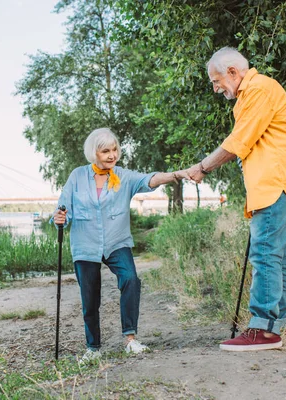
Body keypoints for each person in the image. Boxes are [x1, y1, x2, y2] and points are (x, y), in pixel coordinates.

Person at [185, 47, 286, 351]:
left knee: (265, 253)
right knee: (277, 254)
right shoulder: (254, 93)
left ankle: (264, 328)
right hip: (272, 183)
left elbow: (238, 142)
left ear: (233, 72)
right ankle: (274, 325)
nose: (215, 87)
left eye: (217, 80)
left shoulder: (259, 89)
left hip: (275, 184)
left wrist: (203, 167)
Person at [53, 127, 188, 364]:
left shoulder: (123, 176)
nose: (111, 155)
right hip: (86, 244)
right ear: (94, 153)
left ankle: (130, 339)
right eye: (105, 151)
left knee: (130, 279)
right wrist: (60, 217)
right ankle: (93, 348)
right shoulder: (77, 176)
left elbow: (150, 179)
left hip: (116, 241)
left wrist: (178, 174)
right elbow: (63, 206)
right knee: (90, 295)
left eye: (114, 149)